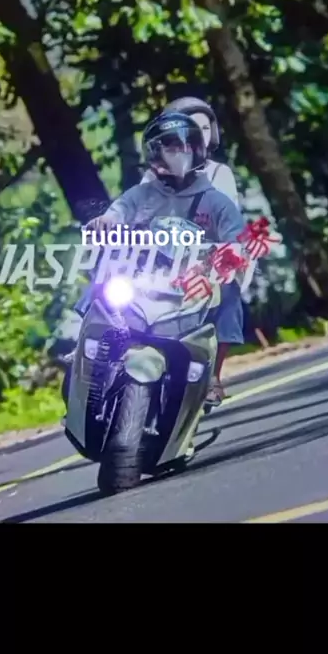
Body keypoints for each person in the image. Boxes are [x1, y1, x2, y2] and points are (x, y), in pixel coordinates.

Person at [63, 110, 247, 435]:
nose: (179, 152)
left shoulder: (216, 201)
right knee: (107, 269)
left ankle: (212, 377)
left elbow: (238, 242)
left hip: (192, 283)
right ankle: (85, 345)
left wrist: (224, 259)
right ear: (155, 152)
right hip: (144, 277)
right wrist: (105, 222)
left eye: (185, 145)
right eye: (171, 146)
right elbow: (118, 212)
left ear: (198, 149)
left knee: (229, 291)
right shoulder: (143, 194)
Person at [141, 97, 253, 405]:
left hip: (205, 260)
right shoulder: (153, 175)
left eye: (204, 128)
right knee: (106, 283)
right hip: (159, 259)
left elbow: (227, 221)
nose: (198, 135)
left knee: (228, 294)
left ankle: (213, 375)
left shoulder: (219, 174)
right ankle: (90, 350)